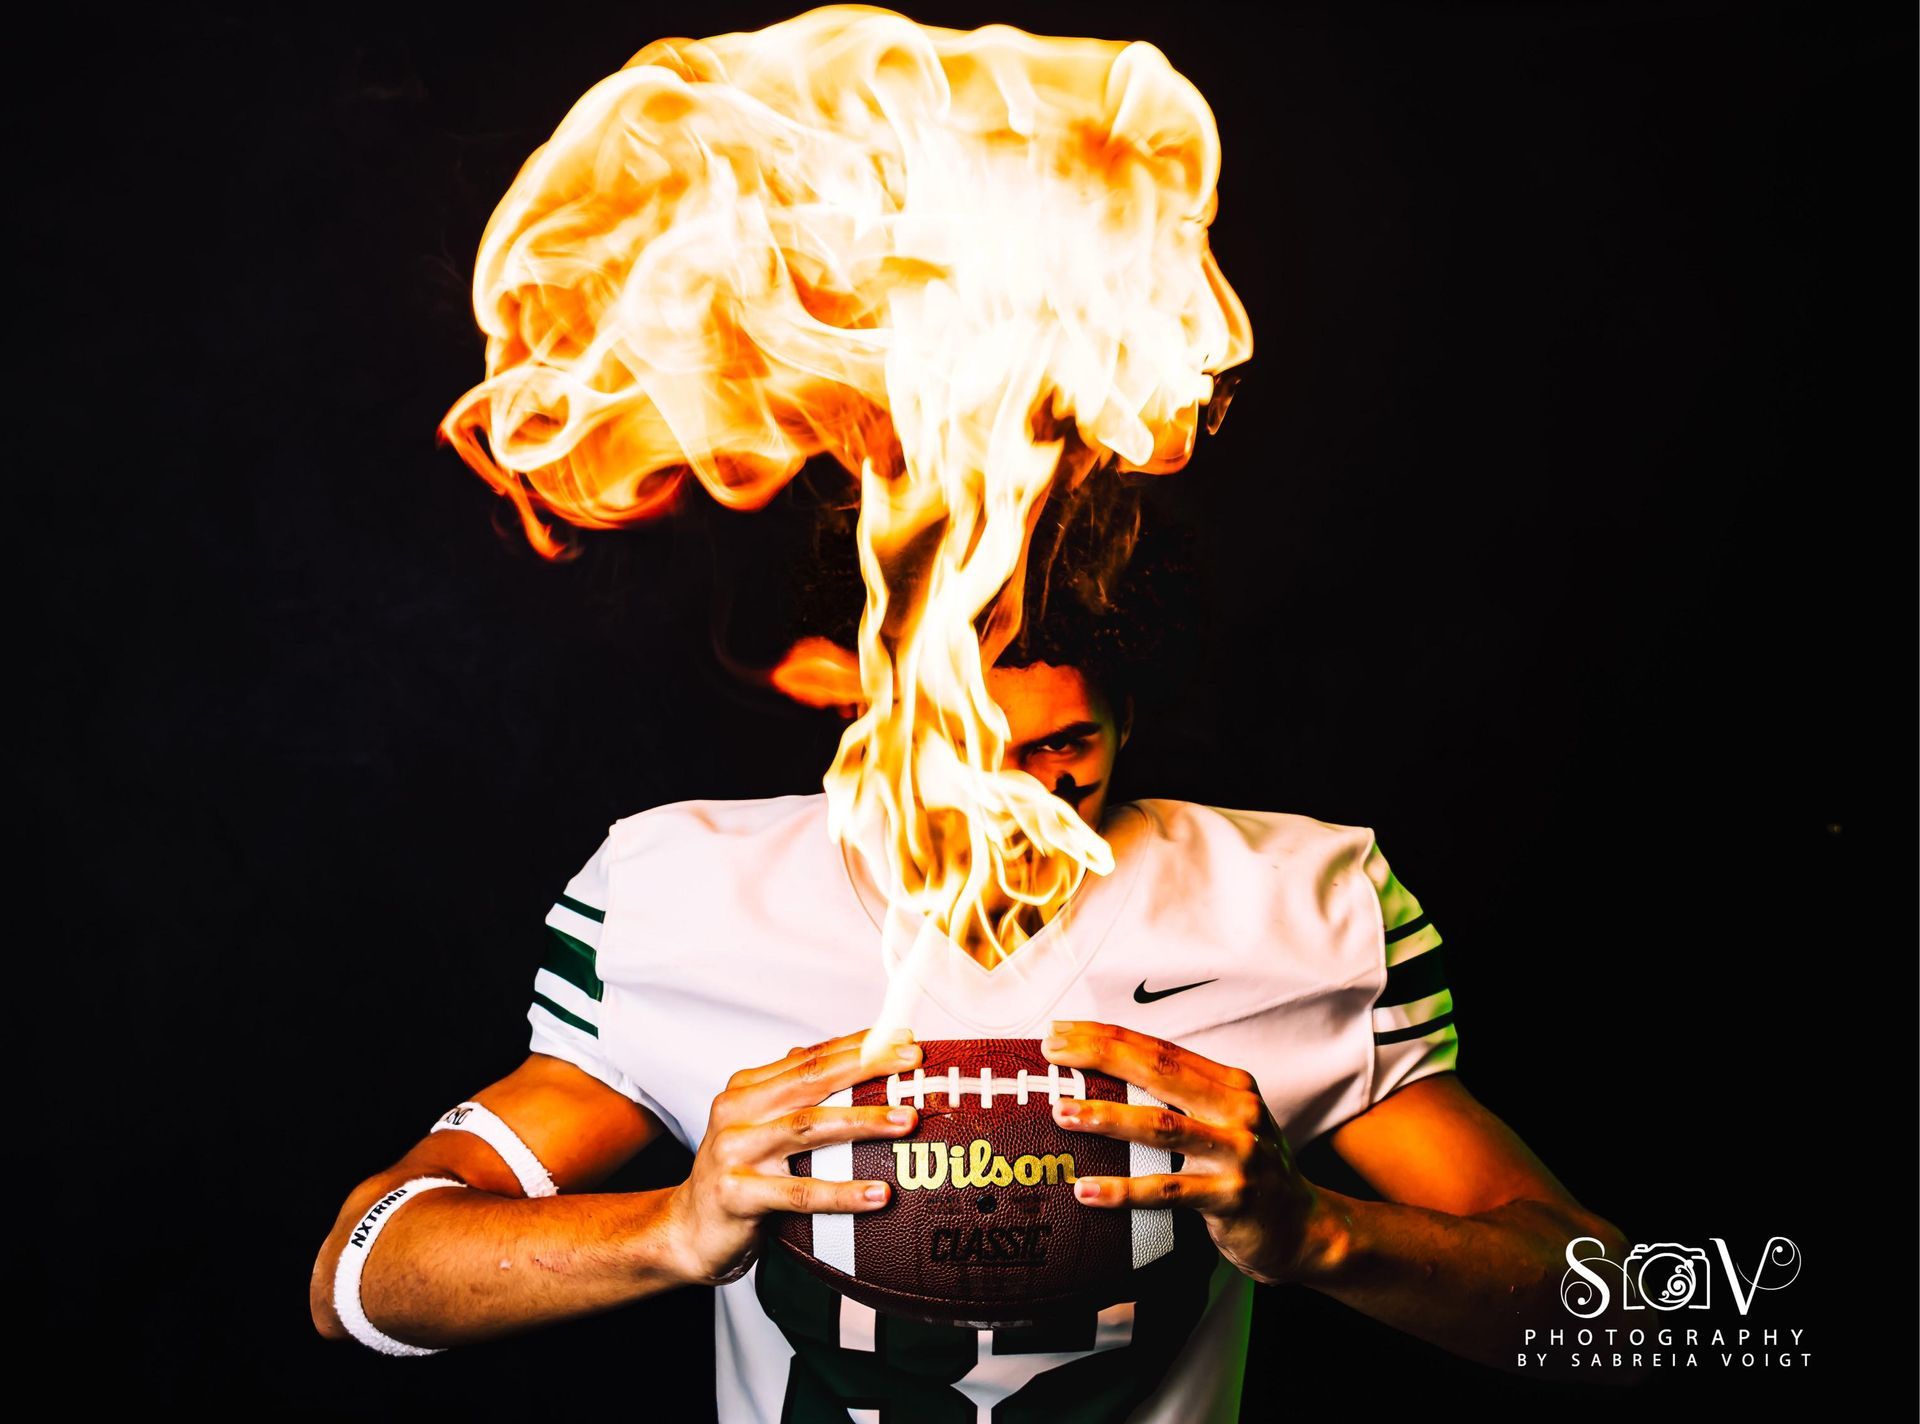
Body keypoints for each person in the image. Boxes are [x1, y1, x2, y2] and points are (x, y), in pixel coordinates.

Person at [309, 496, 1639, 1419]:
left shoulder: (1294, 907)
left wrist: (1317, 1231)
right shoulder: (691, 896)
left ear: (1129, 717)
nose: (1011, 804)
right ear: (858, 717)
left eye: (1062, 751)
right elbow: (364, 1275)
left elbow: (1606, 1316)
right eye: (953, 758)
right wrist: (673, 1229)